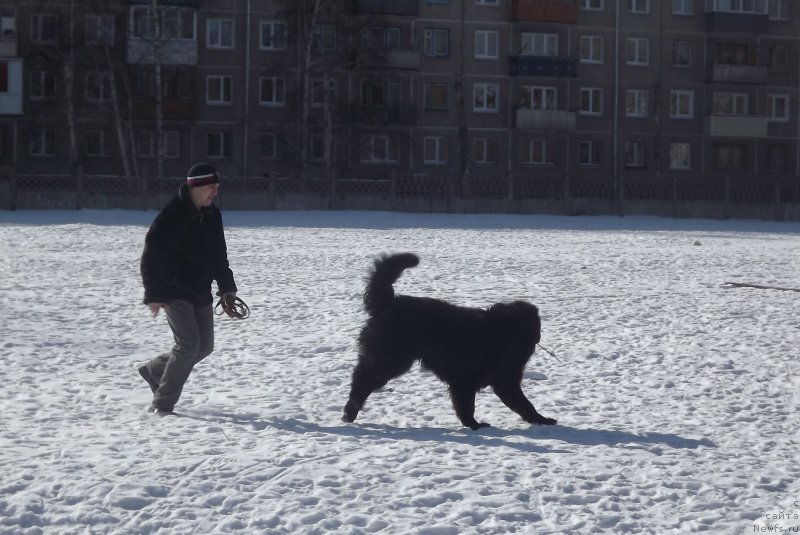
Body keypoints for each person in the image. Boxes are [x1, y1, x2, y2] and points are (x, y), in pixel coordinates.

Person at [138, 162, 239, 415]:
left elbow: (219, 255)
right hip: (173, 290)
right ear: (197, 187)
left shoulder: (212, 214)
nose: (215, 192)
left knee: (204, 347)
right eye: (211, 187)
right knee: (188, 345)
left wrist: (227, 288)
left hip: (200, 291)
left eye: (217, 187)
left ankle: (155, 371)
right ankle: (162, 404)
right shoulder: (173, 215)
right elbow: (151, 256)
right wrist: (154, 294)